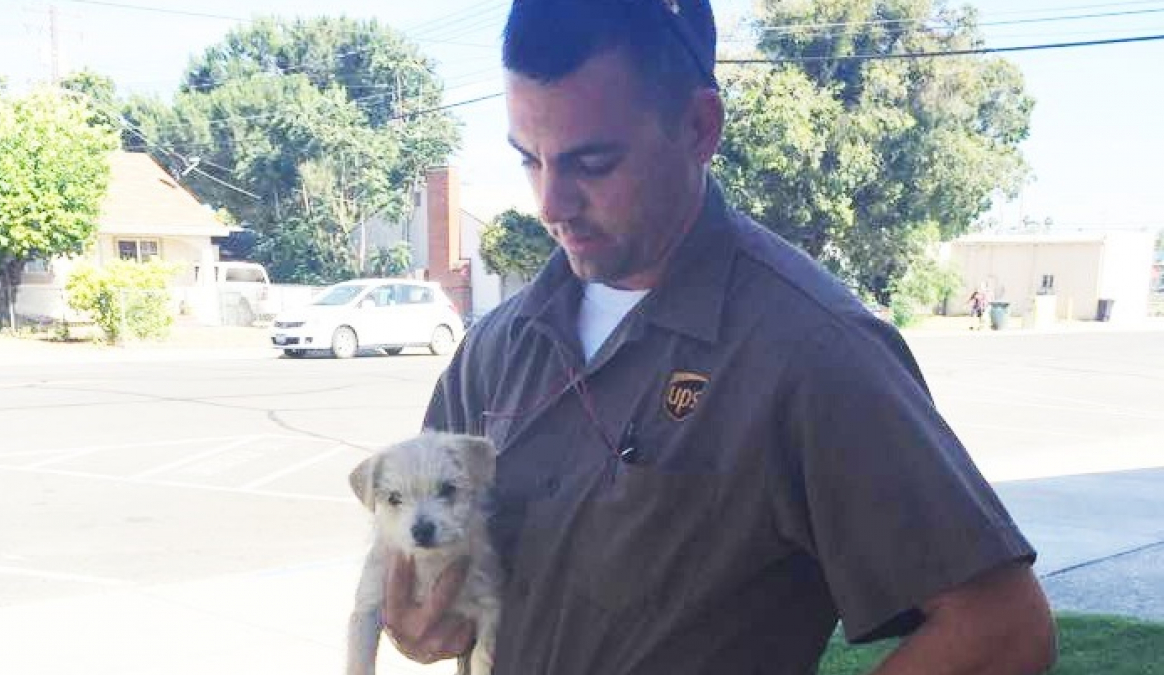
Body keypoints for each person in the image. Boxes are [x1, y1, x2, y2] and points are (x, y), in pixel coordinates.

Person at [381, 1, 1057, 673]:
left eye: (593, 162)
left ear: (700, 127)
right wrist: (424, 618)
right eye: (530, 160)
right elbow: (425, 557)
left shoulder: (811, 350)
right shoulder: (499, 346)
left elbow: (1001, 628)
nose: (550, 204)